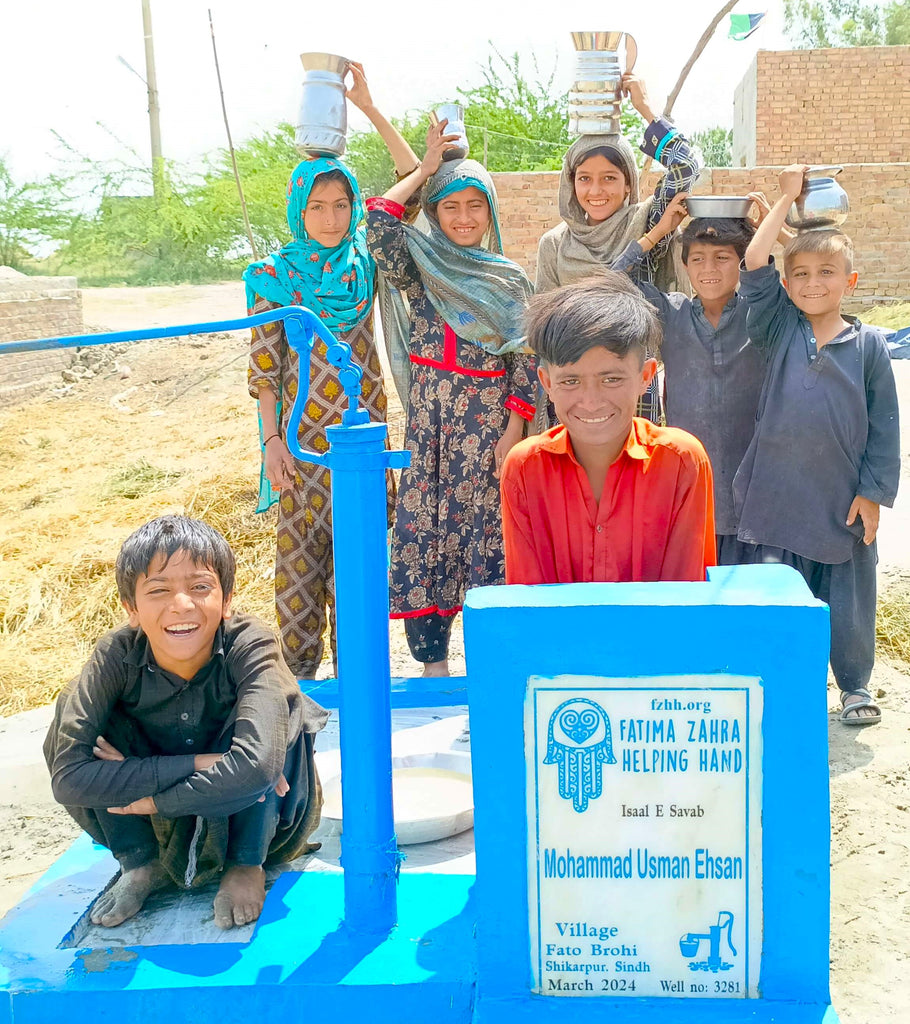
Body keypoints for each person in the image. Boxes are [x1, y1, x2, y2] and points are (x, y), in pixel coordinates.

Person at [43, 515, 328, 929]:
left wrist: (157, 799)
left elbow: (258, 766)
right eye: (158, 590)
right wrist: (199, 763)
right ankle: (140, 862)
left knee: (282, 711)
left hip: (256, 812)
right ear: (132, 609)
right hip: (150, 817)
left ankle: (247, 862)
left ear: (226, 600)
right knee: (74, 713)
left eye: (199, 587)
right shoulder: (115, 656)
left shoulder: (251, 642)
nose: (182, 605)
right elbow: (68, 777)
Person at [245, 63, 419, 679]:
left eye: (341, 203)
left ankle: (360, 725)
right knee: (295, 602)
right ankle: (295, 723)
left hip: (361, 446)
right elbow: (264, 368)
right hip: (298, 453)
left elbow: (413, 179)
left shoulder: (363, 265)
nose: (330, 217)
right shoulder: (275, 276)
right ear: (299, 208)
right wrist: (271, 444)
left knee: (360, 598)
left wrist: (369, 107)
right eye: (316, 205)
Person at [366, 119, 536, 677]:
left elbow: (526, 362)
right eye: (449, 207)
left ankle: (488, 674)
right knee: (424, 535)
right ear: (434, 214)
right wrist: (423, 171)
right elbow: (380, 223)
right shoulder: (419, 272)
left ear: (490, 213)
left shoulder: (509, 280)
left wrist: (513, 432)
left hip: (487, 431)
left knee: (490, 543)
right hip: (430, 430)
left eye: (474, 206)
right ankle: (432, 670)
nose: (463, 218)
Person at [736, 164, 901, 725]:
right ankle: (792, 684)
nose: (812, 284)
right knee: (785, 597)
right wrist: (785, 201)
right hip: (779, 494)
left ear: (849, 281)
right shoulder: (780, 328)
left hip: (841, 498)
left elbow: (885, 425)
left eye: (826, 272)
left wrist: (874, 492)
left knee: (849, 597)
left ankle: (854, 685)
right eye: (801, 273)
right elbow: (754, 263)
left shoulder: (870, 346)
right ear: (787, 285)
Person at [500, 277, 716, 585]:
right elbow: (528, 600)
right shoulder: (524, 469)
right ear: (547, 383)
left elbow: (682, 598)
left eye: (611, 379)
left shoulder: (681, 462)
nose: (591, 402)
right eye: (570, 381)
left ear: (646, 376)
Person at [611, 191, 775, 563]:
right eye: (697, 259)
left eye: (722, 258)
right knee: (699, 595)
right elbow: (613, 279)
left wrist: (771, 231)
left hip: (755, 488)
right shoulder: (672, 314)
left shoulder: (763, 315)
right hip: (690, 487)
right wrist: (660, 231)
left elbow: (785, 277)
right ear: (685, 266)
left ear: (742, 263)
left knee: (749, 601)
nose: (709, 269)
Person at [535, 72, 701, 423]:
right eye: (584, 179)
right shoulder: (554, 245)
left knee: (635, 475)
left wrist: (644, 108)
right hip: (573, 392)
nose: (596, 190)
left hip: (634, 388)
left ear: (629, 184)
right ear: (570, 183)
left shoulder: (647, 220)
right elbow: (544, 334)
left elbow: (686, 167)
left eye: (609, 178)